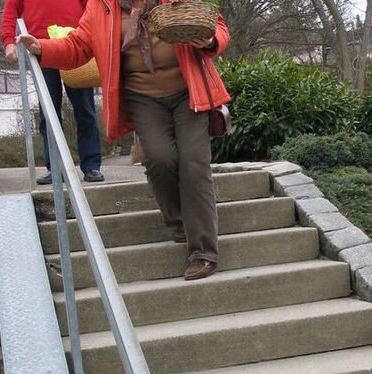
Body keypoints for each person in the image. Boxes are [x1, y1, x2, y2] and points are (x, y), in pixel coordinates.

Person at [18, 0, 231, 280]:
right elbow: (78, 46)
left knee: (194, 165)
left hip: (188, 92)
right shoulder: (100, 8)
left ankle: (203, 251)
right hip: (142, 97)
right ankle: (179, 223)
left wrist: (210, 40)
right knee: (159, 158)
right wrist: (42, 47)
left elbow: (216, 25)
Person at [1, 0, 105, 184]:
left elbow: (92, 6)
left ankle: (91, 166)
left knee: (85, 110)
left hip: (74, 47)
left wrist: (95, 36)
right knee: (48, 114)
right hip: (39, 48)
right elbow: (10, 11)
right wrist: (9, 42)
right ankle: (55, 168)